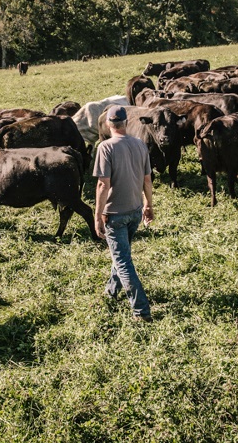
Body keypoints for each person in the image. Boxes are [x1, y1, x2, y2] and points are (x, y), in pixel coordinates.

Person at [93, 105, 154, 321]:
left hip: (115, 214)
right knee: (121, 254)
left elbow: (103, 185)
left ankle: (141, 310)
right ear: (126, 122)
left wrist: (98, 215)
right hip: (135, 211)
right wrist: (148, 205)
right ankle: (111, 291)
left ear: (108, 124)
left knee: (123, 261)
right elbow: (147, 180)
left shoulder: (105, 148)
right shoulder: (139, 144)